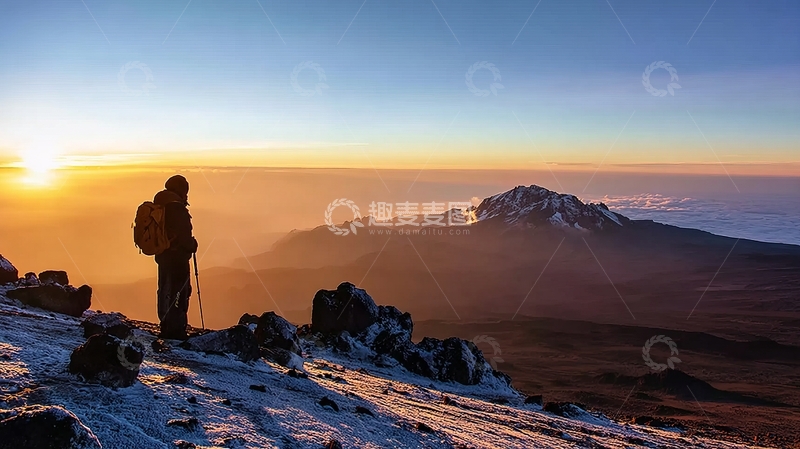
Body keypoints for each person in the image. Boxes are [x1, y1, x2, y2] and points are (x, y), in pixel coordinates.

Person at [154, 175, 198, 339]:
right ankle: (176, 329)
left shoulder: (160, 205)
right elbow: (184, 239)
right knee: (179, 292)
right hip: (177, 259)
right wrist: (193, 245)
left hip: (163, 256)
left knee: (165, 289)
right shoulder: (177, 208)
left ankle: (165, 324)